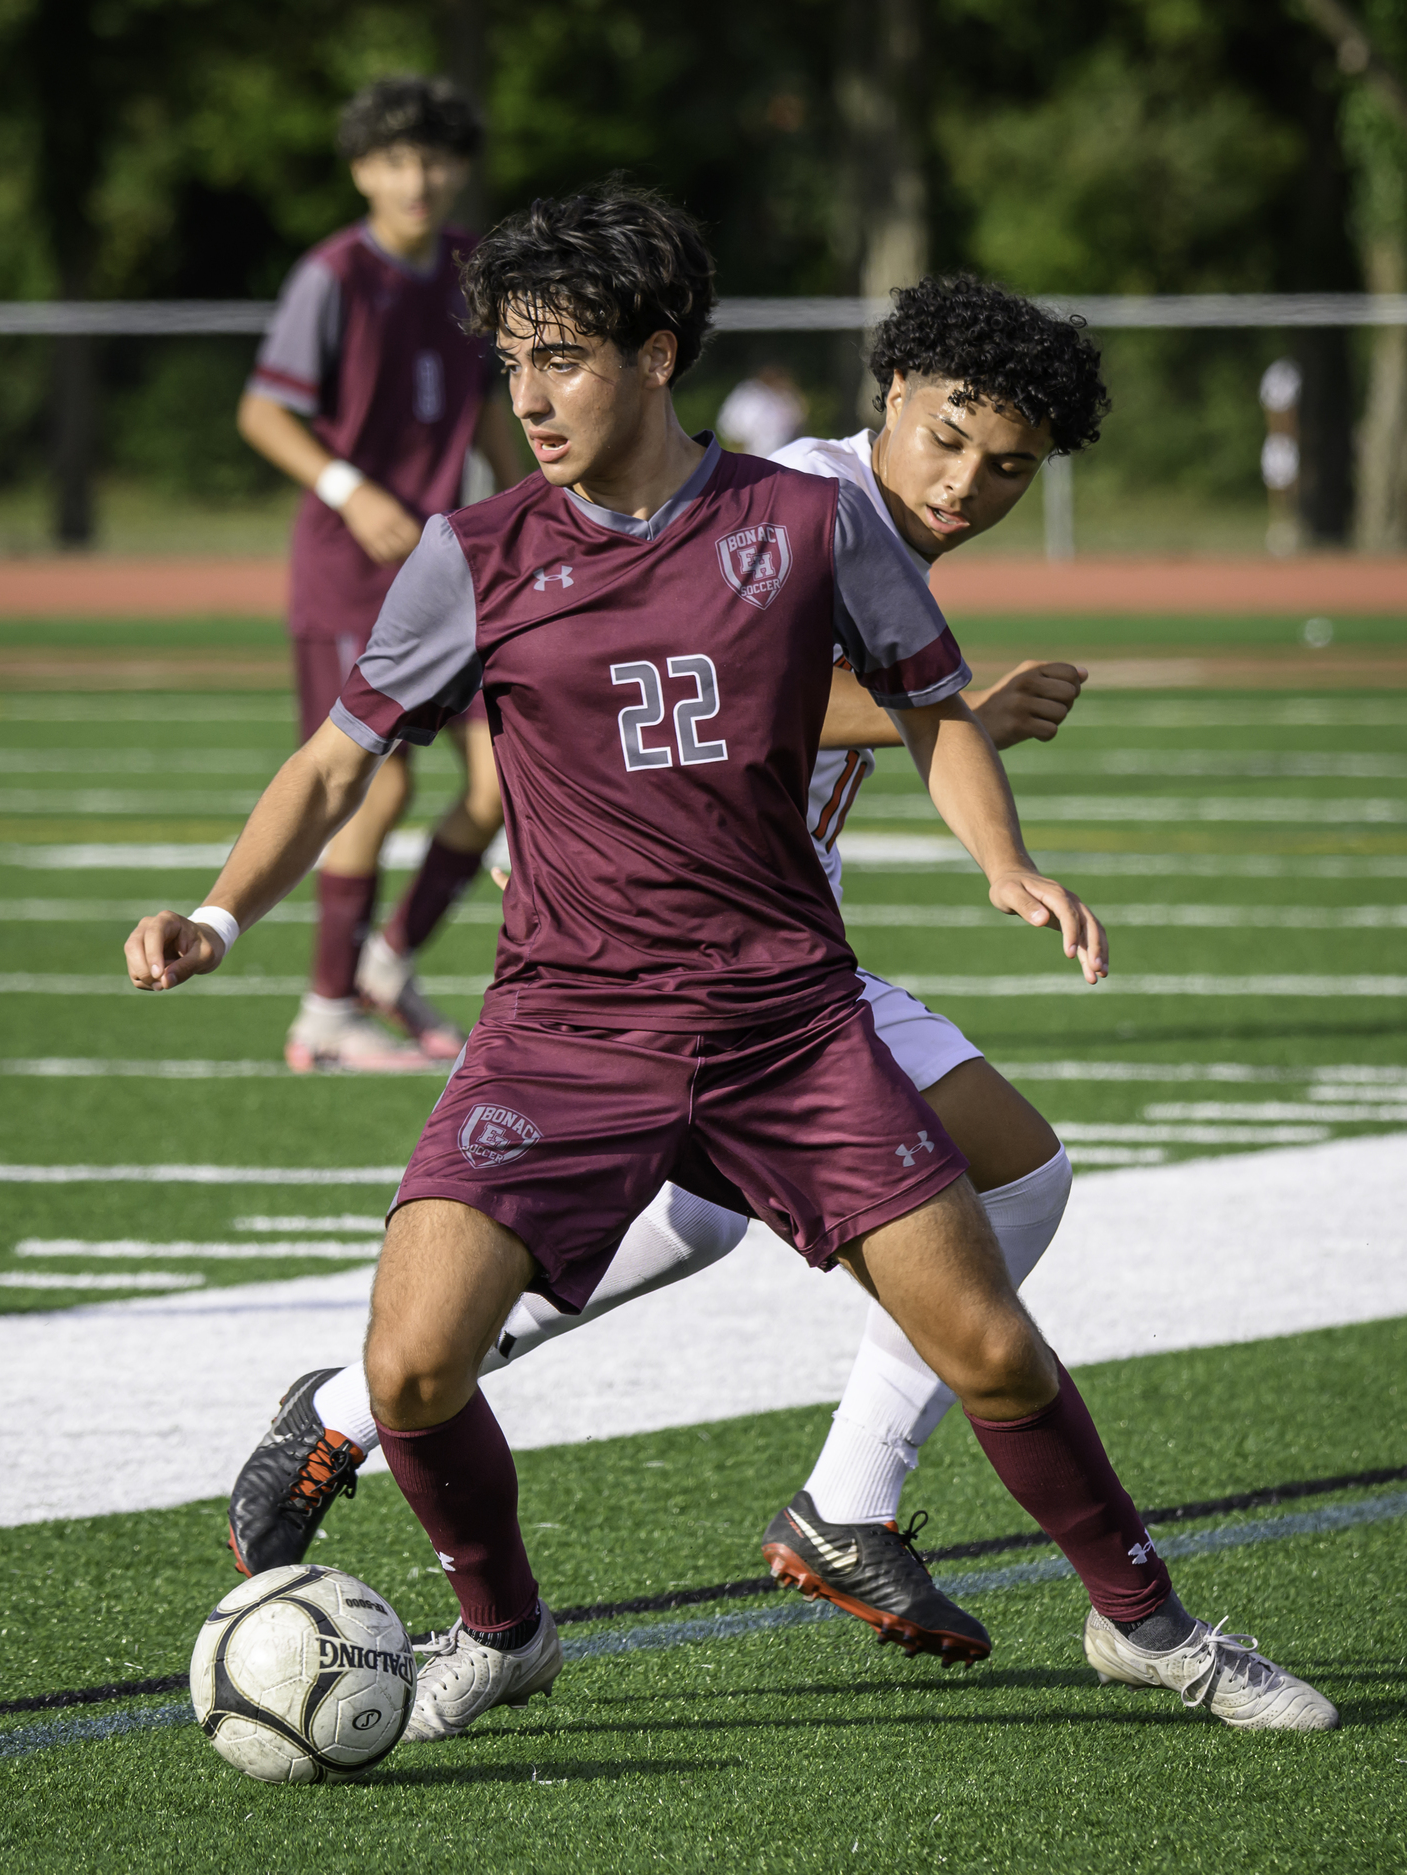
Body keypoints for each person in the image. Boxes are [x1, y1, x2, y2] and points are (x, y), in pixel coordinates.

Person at [128, 189, 1336, 1744]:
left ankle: (1149, 1628)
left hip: (782, 1006)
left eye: (561, 360)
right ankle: (502, 1613)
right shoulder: (482, 550)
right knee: (418, 1361)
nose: (533, 396)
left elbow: (925, 705)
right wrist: (219, 913)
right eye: (515, 365)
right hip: (570, 1010)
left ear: (657, 353)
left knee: (984, 1326)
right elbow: (339, 753)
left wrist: (1006, 859)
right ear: (893, 402)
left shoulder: (804, 520)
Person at [225, 274, 1095, 1660]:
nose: (967, 482)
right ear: (890, 400)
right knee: (1020, 1172)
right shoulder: (797, 495)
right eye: (948, 436)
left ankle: (345, 1407)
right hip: (657, 935)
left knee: (701, 1218)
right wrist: (959, 712)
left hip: (761, 942)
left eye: (1008, 468)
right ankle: (843, 1504)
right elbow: (739, 672)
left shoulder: (847, 513)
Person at [238, 72, 523, 1070]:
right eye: (397, 158)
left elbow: (497, 409)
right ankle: (324, 1010)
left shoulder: (470, 267)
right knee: (376, 789)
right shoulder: (333, 275)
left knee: (510, 779)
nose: (418, 177)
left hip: (459, 571)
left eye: (436, 157)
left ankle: (389, 963)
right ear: (362, 169)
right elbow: (263, 413)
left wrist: (548, 517)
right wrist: (352, 489)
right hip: (354, 575)